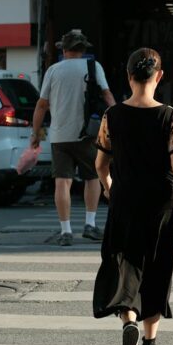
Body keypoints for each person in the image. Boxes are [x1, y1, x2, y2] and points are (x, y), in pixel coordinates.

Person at [92, 48, 173, 345]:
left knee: (128, 264)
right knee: (157, 266)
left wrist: (112, 190)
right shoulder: (170, 117)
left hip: (125, 200)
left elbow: (100, 164)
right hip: (162, 204)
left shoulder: (113, 116)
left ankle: (130, 323)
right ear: (159, 77)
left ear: (128, 77)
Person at [30, 29, 116, 246]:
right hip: (87, 134)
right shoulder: (93, 67)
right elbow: (106, 95)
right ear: (84, 48)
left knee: (62, 182)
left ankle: (65, 231)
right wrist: (118, 119)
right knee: (92, 177)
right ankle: (90, 224)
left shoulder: (53, 70)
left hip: (59, 136)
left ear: (64, 49)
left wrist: (36, 134)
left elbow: (42, 105)